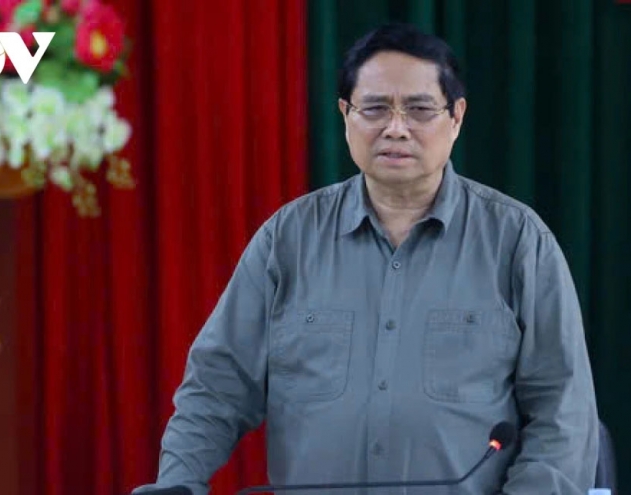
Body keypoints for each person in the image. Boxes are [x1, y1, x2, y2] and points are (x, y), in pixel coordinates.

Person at [134, 23, 599, 495]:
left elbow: (562, 414)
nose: (395, 128)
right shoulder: (287, 240)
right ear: (345, 114)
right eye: (374, 108)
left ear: (456, 116)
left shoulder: (517, 242)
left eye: (419, 109)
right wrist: (178, 483)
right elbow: (217, 388)